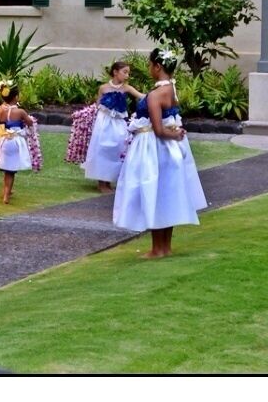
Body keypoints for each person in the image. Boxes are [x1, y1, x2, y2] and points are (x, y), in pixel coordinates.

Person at [113, 48, 207, 258]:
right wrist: (177, 134)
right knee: (167, 193)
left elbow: (158, 129)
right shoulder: (171, 90)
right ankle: (165, 246)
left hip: (153, 148)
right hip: (171, 150)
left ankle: (157, 249)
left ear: (157, 66)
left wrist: (173, 134)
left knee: (154, 192)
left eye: (150, 65)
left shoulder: (156, 95)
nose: (149, 69)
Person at [83, 60, 145, 193]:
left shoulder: (126, 88)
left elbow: (141, 96)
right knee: (102, 148)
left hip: (118, 122)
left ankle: (109, 179)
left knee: (118, 147)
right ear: (115, 72)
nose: (127, 75)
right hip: (104, 121)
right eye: (125, 72)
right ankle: (101, 182)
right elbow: (97, 104)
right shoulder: (104, 88)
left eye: (128, 73)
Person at [0, 80, 37, 204]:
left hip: (3, 140)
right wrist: (28, 120)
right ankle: (6, 194)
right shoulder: (20, 112)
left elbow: (0, 122)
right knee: (11, 171)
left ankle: (6, 190)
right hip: (14, 141)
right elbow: (30, 122)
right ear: (16, 97)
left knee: (7, 168)